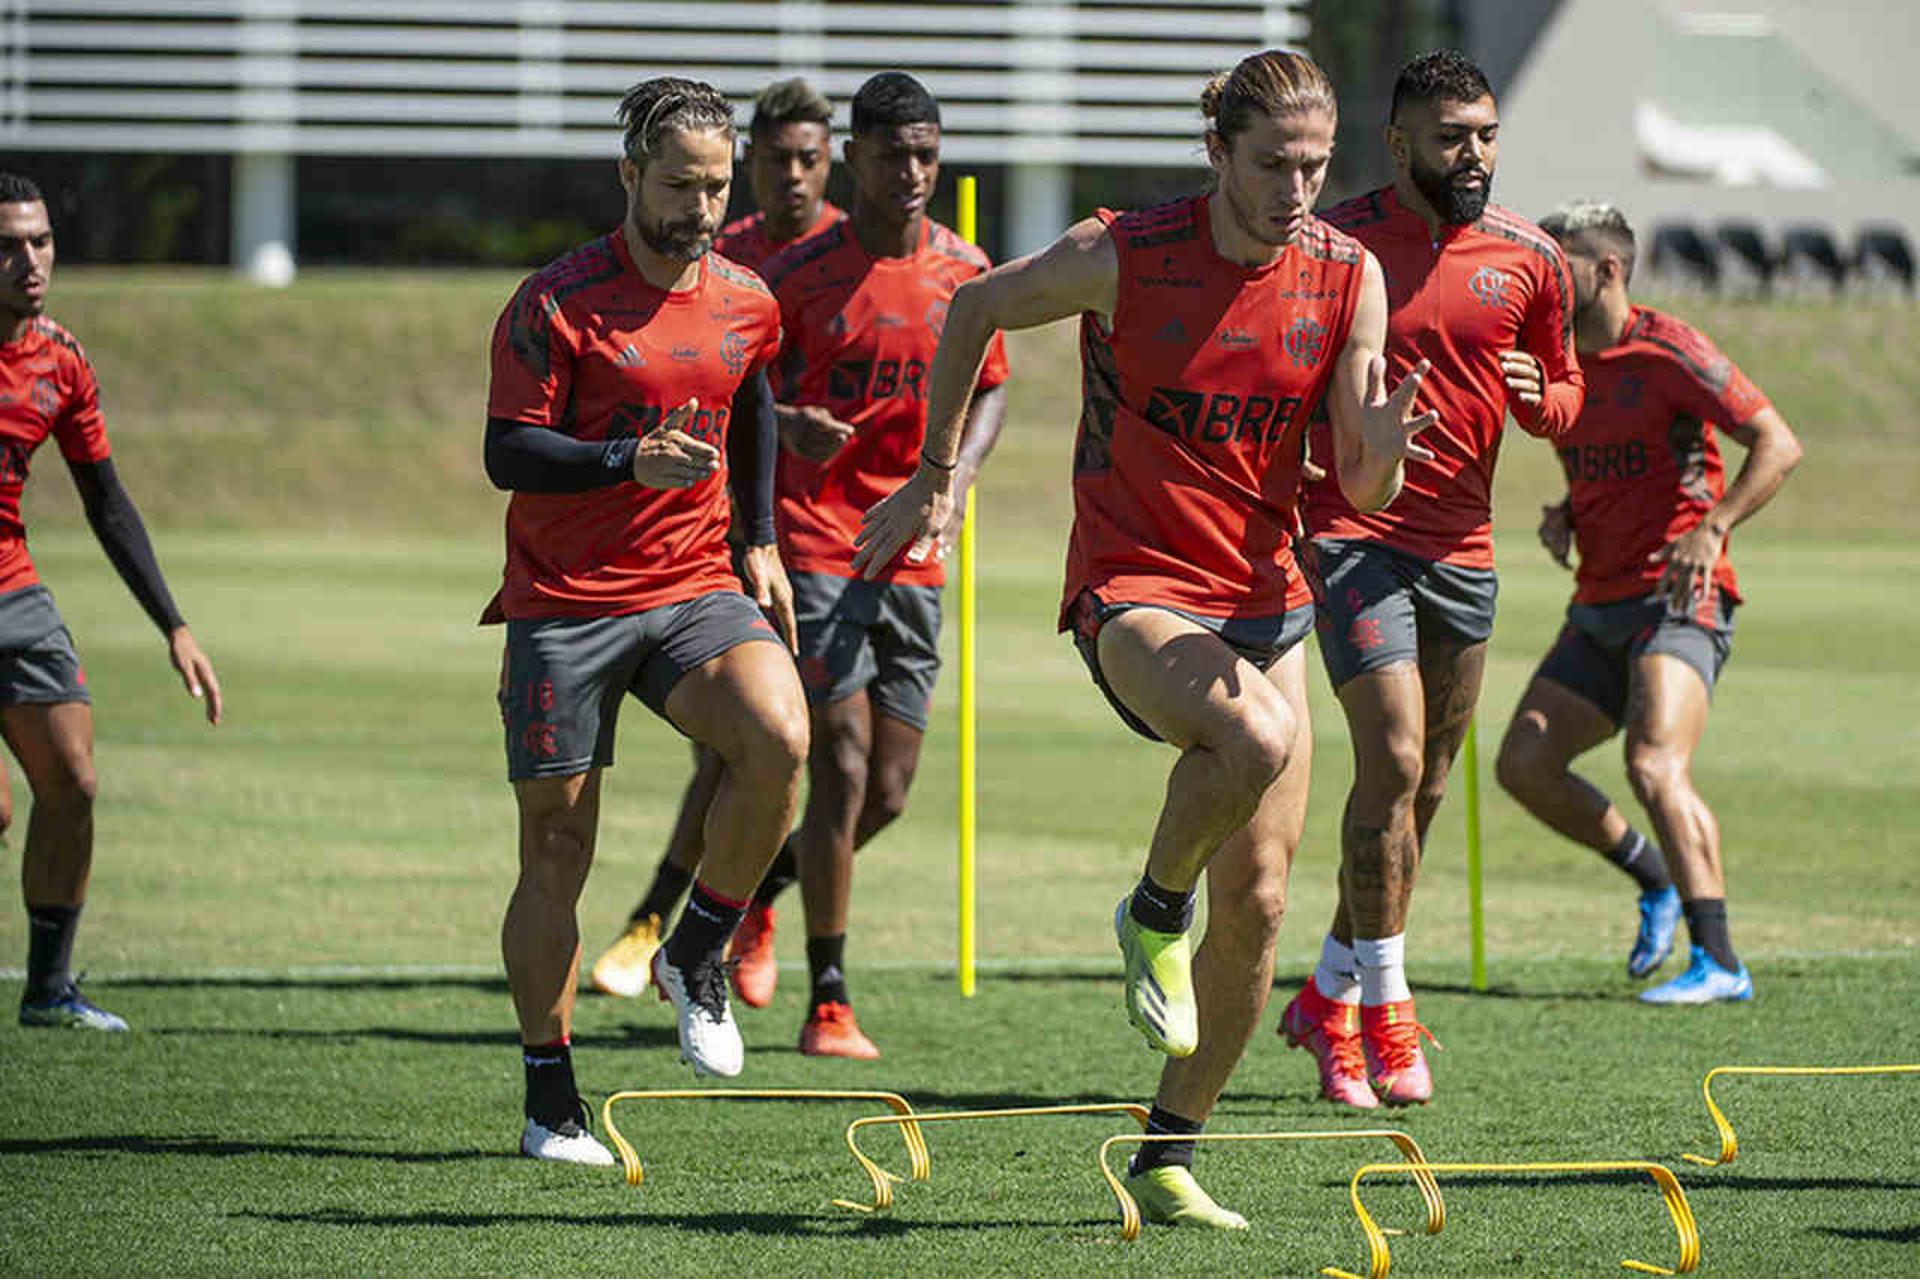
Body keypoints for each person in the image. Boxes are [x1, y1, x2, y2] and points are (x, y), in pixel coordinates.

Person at [855, 50, 1432, 1229]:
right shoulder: (1125, 249)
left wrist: (1380, 443)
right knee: (1257, 738)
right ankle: (1152, 911)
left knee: (1265, 897)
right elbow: (973, 305)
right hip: (1133, 585)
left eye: (1316, 166)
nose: (1296, 189)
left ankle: (1168, 1152)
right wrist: (931, 480)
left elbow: (1363, 490)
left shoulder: (1349, 275)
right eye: (1272, 164)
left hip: (1267, 593)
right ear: (1215, 150)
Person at [484, 78, 810, 1165]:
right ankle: (550, 1100)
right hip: (563, 605)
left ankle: (696, 949)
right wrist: (627, 456)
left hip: (689, 588)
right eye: (680, 184)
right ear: (630, 175)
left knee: (780, 736)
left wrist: (758, 534)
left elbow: (752, 390)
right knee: (558, 847)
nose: (703, 207)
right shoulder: (553, 301)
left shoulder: (747, 296)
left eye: (718, 186)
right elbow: (508, 453)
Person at [1282, 49, 1584, 1110]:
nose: (1474, 154)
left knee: (1422, 792)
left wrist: (1543, 395)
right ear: (1400, 142)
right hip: (1352, 537)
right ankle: (1385, 1016)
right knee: (1395, 757)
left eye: (1487, 134)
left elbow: (1567, 398)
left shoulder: (1532, 260)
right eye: (1452, 136)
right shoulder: (1335, 244)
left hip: (1466, 552)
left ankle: (1324, 992)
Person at [740, 71, 1009, 1057]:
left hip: (917, 551)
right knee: (843, 765)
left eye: (927, 155)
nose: (913, 172)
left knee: (889, 791)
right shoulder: (800, 274)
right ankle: (831, 1001)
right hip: (817, 541)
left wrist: (960, 479)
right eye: (893, 154)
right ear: (854, 159)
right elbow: (734, 393)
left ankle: (754, 895)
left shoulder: (964, 271)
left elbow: (991, 392)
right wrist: (787, 425)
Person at [1495, 200, 1800, 1004]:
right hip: (1597, 600)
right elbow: (1607, 461)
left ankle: (1721, 960)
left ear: (1607, 270)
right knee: (1524, 763)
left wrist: (1717, 525)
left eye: (1560, 267)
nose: (1546, 281)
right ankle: (1655, 877)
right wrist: (1570, 511)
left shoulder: (1670, 350)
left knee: (1654, 764)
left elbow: (1778, 441)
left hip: (1678, 598)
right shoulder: (1555, 360)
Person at [589, 75, 844, 1001]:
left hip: (839, 543)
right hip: (715, 548)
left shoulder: (852, 252)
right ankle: (669, 924)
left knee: (853, 777)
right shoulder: (705, 251)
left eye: (805, 160)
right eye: (774, 160)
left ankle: (720, 913)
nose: (790, 177)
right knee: (744, 749)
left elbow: (756, 397)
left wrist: (946, 475)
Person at [0, 172, 223, 1032]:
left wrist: (173, 624)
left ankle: (48, 989)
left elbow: (106, 500)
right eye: (9, 245)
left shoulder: (59, 359)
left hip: (14, 592)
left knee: (76, 783)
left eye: (41, 241)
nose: (30, 260)